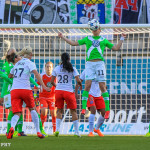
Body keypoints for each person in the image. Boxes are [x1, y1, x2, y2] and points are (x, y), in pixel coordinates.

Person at [58, 19, 126, 119]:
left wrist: (122, 38)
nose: (94, 30)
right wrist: (63, 37)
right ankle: (84, 108)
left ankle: (107, 110)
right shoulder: (87, 39)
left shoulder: (103, 40)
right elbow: (73, 43)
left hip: (99, 64)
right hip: (89, 64)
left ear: (100, 29)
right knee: (87, 85)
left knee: (102, 86)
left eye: (96, 28)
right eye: (93, 29)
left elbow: (116, 48)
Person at [7, 46, 50, 139]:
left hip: (14, 90)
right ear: (31, 55)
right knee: (32, 109)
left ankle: (12, 127)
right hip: (25, 90)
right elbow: (36, 74)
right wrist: (43, 86)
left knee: (17, 113)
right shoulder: (30, 63)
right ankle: (38, 131)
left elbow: (9, 75)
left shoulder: (17, 64)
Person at [51, 52, 82, 137]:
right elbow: (78, 80)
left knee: (59, 111)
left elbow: (51, 81)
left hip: (58, 92)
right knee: (73, 111)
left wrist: (58, 86)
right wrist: (80, 85)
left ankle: (57, 130)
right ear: (69, 59)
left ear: (61, 59)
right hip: (68, 91)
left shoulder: (57, 68)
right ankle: (76, 132)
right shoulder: (72, 68)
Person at [0, 43, 27, 137]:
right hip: (8, 92)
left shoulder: (19, 64)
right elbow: (3, 76)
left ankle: (19, 131)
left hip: (18, 90)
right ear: (8, 55)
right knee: (13, 110)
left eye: (14, 52)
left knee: (19, 110)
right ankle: (8, 131)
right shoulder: (5, 65)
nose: (14, 54)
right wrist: (2, 94)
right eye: (12, 52)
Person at [75, 69, 105, 136]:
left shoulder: (100, 70)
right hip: (89, 94)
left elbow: (103, 83)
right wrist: (76, 92)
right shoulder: (86, 71)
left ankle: (96, 129)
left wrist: (104, 91)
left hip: (99, 95)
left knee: (104, 112)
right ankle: (90, 132)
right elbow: (79, 81)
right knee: (93, 110)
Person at [34, 61, 57, 134]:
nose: (48, 68)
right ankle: (42, 128)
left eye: (50, 67)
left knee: (53, 113)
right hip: (43, 97)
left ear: (52, 68)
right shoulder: (42, 76)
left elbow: (59, 87)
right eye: (47, 67)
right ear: (45, 68)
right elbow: (35, 86)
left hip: (52, 97)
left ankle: (55, 131)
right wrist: (35, 97)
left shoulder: (55, 77)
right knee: (44, 112)